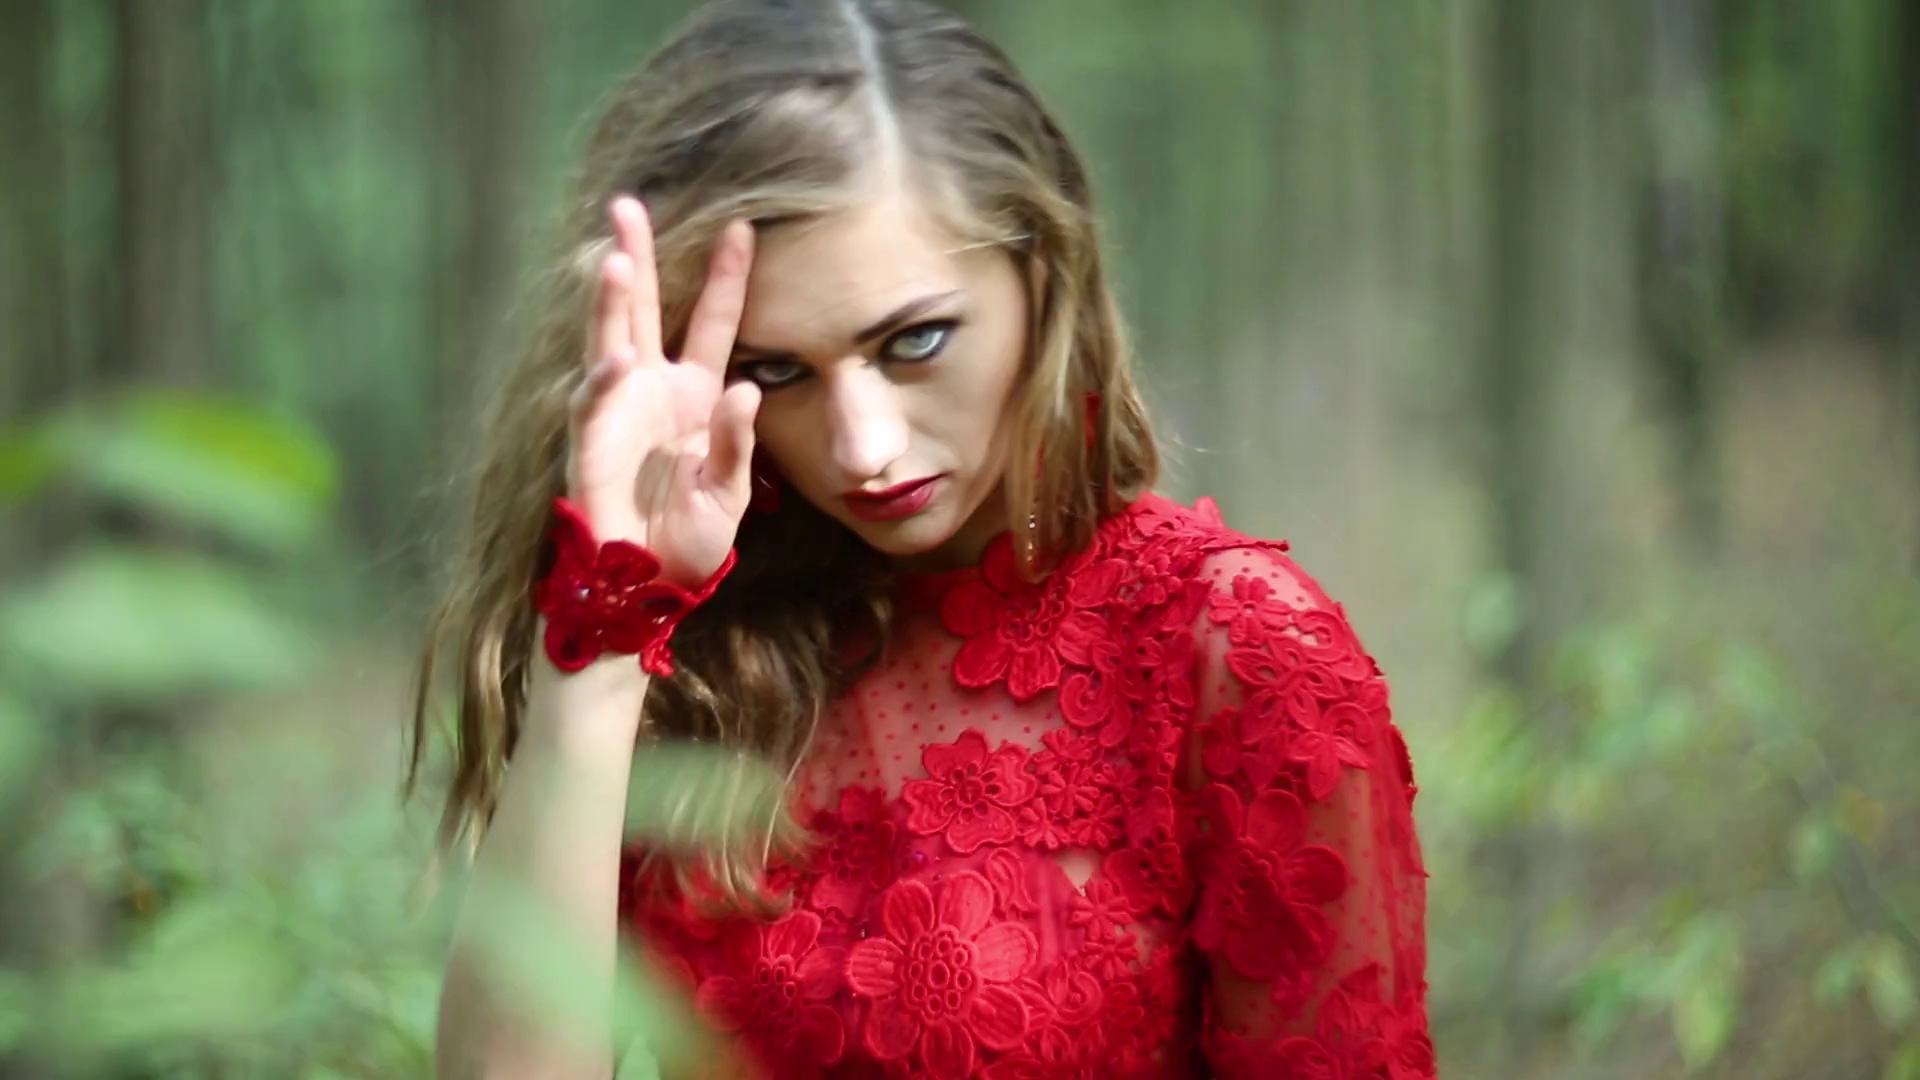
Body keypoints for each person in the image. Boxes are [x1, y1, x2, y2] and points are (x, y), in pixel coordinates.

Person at [412, 0, 1433, 1076]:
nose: (862, 447)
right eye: (776, 370)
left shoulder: (1234, 653)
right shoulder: (703, 645)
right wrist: (610, 624)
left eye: (916, 341)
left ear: (1046, 273)